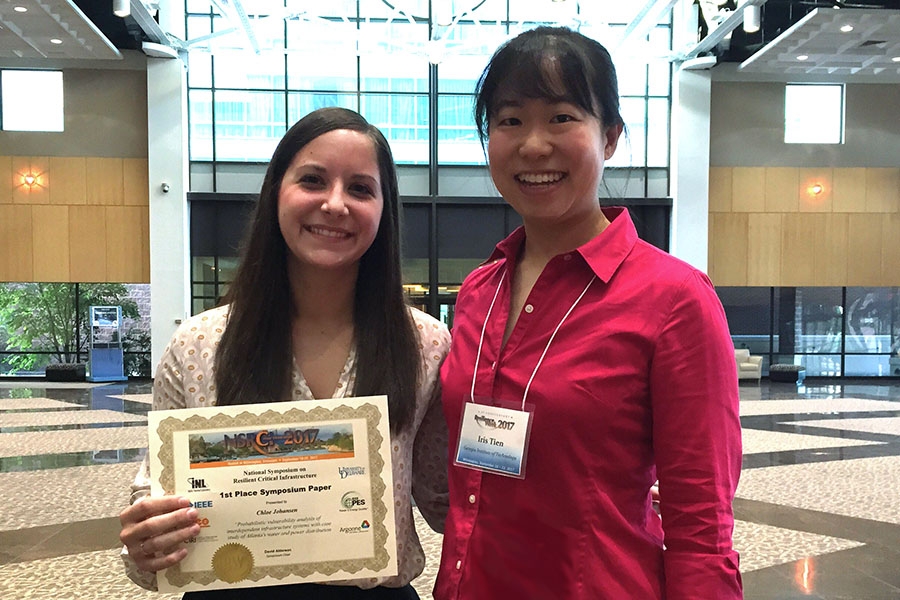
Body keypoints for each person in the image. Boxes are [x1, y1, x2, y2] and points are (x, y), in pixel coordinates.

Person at [435, 27, 742, 599]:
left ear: (611, 138)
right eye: (509, 121)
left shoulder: (674, 300)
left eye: (561, 117)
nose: (532, 145)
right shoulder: (481, 289)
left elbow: (702, 528)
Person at [118, 107, 451, 599]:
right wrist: (148, 540)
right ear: (276, 191)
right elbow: (155, 495)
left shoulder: (425, 344)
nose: (335, 204)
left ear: (385, 209)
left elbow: (443, 497)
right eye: (313, 180)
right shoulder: (199, 343)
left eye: (360, 188)